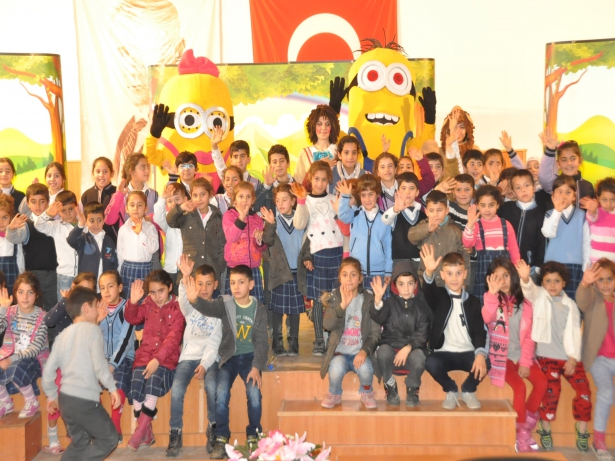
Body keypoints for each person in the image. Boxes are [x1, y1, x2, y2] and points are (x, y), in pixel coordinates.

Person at [184, 265, 268, 459]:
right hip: (229, 358)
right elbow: (209, 308)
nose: (236, 287)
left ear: (251, 285)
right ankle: (221, 438)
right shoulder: (225, 304)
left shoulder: (259, 309)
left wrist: (256, 367)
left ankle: (253, 435)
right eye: (232, 283)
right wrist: (194, 300)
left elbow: (263, 342)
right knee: (220, 393)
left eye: (241, 282)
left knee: (254, 394)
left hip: (250, 359)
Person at [42, 286, 120, 461]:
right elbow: (100, 366)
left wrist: (51, 395)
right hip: (85, 401)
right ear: (86, 307)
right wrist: (112, 388)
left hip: (65, 400)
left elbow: (48, 372)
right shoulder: (93, 331)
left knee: (80, 443)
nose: (97, 311)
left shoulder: (62, 336)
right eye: (95, 305)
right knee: (109, 439)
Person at [520, 261, 591, 452]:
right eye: (548, 281)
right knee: (552, 393)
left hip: (568, 358)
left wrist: (573, 358)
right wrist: (525, 278)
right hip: (546, 358)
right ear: (542, 283)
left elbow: (575, 334)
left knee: (584, 391)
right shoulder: (539, 297)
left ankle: (582, 429)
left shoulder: (570, 305)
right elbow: (529, 291)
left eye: (557, 281)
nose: (552, 285)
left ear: (564, 283)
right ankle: (545, 427)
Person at [483, 258, 547, 452]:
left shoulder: (526, 302)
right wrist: (492, 294)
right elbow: (487, 317)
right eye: (497, 277)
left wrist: (525, 362)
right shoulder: (491, 299)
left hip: (522, 355)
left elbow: (529, 337)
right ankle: (522, 434)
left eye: (505, 275)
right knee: (520, 387)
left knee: (542, 382)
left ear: (513, 276)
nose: (502, 281)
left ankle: (524, 426)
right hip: (501, 357)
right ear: (490, 280)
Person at [421, 245, 489, 410]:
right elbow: (428, 292)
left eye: (458, 273)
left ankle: (468, 390)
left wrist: (480, 354)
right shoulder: (439, 296)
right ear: (442, 275)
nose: (454, 278)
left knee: (487, 360)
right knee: (430, 362)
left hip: (467, 353)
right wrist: (428, 272)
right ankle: (450, 389)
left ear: (465, 274)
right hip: (444, 353)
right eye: (449, 273)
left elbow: (479, 331)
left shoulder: (473, 302)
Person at [124, 271, 185, 451]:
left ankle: (139, 432)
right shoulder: (148, 303)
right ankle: (147, 432)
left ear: (170, 287)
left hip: (165, 360)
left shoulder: (178, 307)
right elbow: (133, 318)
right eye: (152, 292)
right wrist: (133, 302)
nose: (157, 297)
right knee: (135, 385)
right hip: (144, 356)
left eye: (161, 291)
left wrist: (158, 359)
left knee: (152, 384)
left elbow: (174, 338)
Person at [167, 256, 222, 457]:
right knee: (177, 389)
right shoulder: (191, 306)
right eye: (200, 284)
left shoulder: (218, 309)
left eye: (208, 284)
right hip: (189, 357)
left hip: (210, 359)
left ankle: (213, 427)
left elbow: (214, 342)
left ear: (215, 285)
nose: (204, 288)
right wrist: (185, 277)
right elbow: (183, 301)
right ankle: (175, 432)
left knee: (212, 387)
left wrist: (205, 364)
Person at [292, 161, 344, 355]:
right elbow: (299, 224)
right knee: (317, 299)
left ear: (328, 180)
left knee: (335, 297)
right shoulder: (305, 199)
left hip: (337, 252)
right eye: (316, 179)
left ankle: (334, 335)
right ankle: (319, 339)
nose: (320, 183)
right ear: (310, 178)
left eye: (323, 179)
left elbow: (343, 223)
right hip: (317, 253)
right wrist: (301, 201)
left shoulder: (334, 198)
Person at [320, 257, 380, 410]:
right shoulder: (335, 298)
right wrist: (342, 306)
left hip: (360, 353)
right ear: (339, 278)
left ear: (360, 278)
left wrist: (364, 351)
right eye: (345, 275)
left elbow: (375, 333)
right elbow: (327, 325)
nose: (349, 279)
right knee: (335, 369)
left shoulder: (368, 299)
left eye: (353, 275)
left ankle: (367, 392)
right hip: (340, 353)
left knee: (366, 370)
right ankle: (334, 393)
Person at [370, 262, 430, 407]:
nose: (406, 288)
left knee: (420, 357)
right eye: (401, 284)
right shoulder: (389, 303)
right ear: (395, 286)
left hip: (412, 352)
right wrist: (377, 300)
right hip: (392, 354)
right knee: (382, 352)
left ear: (416, 284)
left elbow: (423, 333)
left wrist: (408, 347)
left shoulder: (422, 306)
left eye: (410, 283)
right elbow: (379, 317)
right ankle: (389, 384)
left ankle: (412, 387)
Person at [576, 260, 615, 460]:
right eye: (601, 280)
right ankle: (598, 439)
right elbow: (581, 301)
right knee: (607, 391)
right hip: (598, 359)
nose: (606, 284)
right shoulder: (592, 297)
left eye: (610, 279)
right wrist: (585, 283)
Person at [260, 186, 305, 356]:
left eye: (284, 200)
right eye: (277, 200)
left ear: (293, 201)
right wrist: (270, 224)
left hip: (296, 271)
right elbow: (267, 241)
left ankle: (293, 341)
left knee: (294, 309)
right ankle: (277, 341)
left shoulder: (300, 219)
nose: (280, 203)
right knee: (277, 309)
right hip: (280, 271)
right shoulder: (273, 220)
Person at [0, 272, 49, 418]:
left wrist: (11, 359)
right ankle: (5, 402)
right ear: (15, 293)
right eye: (21, 292)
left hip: (33, 360)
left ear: (37, 294)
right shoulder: (10, 311)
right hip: (9, 354)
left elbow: (34, 350)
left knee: (15, 368)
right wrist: (3, 308)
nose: (25, 297)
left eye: (30, 292)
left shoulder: (43, 317)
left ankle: (31, 400)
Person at [166, 177, 225, 291]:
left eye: (203, 194)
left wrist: (219, 266)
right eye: (195, 195)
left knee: (210, 301)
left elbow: (222, 244)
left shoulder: (218, 217)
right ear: (191, 196)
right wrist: (181, 207)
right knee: (188, 301)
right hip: (190, 273)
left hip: (211, 273)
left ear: (210, 195)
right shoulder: (187, 214)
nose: (199, 199)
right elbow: (170, 221)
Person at [463, 185, 521, 299]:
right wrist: (470, 224)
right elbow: (467, 244)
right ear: (477, 205)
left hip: (505, 277)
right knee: (486, 303)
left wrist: (518, 272)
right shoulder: (476, 225)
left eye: (491, 205)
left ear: (497, 204)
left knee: (505, 302)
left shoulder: (506, 225)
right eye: (483, 205)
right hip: (484, 276)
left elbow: (514, 251)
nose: (487, 209)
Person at [98, 270, 135, 442]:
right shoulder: (98, 308)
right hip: (101, 358)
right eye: (102, 288)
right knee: (89, 384)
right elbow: (89, 336)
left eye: (110, 286)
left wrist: (111, 366)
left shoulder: (128, 309)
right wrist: (97, 320)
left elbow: (125, 341)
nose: (106, 291)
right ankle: (97, 426)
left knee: (119, 379)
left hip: (123, 357)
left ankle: (115, 426)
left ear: (120, 288)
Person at [7, 184, 58, 310]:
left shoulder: (55, 223)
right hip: (33, 275)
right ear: (28, 204)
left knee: (52, 308)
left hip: (53, 274)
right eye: (33, 202)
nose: (38, 205)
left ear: (48, 202)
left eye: (42, 201)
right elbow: (14, 238)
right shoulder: (26, 224)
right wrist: (12, 228)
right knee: (34, 307)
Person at [338, 176, 392, 288]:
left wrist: (388, 270)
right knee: (359, 299)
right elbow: (342, 215)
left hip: (379, 272)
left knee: (378, 299)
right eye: (363, 195)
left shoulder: (385, 217)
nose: (367, 199)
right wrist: (345, 196)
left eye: (371, 194)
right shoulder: (354, 213)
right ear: (359, 196)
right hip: (357, 272)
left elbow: (388, 246)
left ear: (377, 194)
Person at [542, 175, 590, 299]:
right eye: (559, 192)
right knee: (551, 302)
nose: (563, 196)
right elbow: (547, 233)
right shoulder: (550, 214)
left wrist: (586, 268)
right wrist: (557, 211)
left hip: (575, 265)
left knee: (573, 302)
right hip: (552, 265)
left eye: (568, 192)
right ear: (553, 195)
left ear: (574, 196)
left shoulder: (582, 215)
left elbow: (587, 243)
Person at [409, 190, 469, 287]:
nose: (435, 214)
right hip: (427, 280)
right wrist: (427, 229)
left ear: (447, 210)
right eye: (431, 210)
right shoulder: (423, 226)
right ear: (426, 212)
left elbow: (464, 256)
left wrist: (464, 282)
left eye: (439, 210)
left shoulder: (455, 230)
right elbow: (411, 236)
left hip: (450, 282)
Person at [222, 181, 266, 302]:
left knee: (254, 303)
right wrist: (241, 217)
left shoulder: (257, 219)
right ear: (234, 199)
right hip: (235, 268)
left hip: (253, 269)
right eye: (241, 196)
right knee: (234, 304)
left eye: (248, 197)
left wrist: (260, 241)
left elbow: (262, 247)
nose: (244, 200)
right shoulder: (229, 215)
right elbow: (231, 237)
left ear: (253, 200)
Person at [498, 169, 546, 272]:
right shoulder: (505, 208)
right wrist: (499, 194)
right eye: (518, 187)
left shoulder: (541, 212)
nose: (523, 190)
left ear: (534, 187)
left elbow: (542, 241)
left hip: (530, 266)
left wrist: (539, 264)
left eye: (527, 185)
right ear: (513, 192)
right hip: (506, 265)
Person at [34, 190, 79, 299]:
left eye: (71, 209)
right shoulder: (56, 226)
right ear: (58, 212)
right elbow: (38, 225)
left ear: (77, 207)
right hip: (65, 276)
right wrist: (48, 214)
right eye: (63, 210)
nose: (68, 214)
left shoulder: (84, 225)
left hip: (83, 275)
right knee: (64, 306)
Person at [381, 172, 426, 276]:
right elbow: (384, 220)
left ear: (417, 192)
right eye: (404, 188)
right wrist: (395, 209)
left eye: (411, 188)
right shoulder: (394, 213)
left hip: (419, 262)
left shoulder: (423, 215)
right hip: (398, 263)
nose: (407, 192)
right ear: (398, 191)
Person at [116, 190, 159, 297]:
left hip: (145, 268)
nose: (136, 208)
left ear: (146, 209)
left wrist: (141, 233)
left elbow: (154, 248)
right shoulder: (123, 229)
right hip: (127, 269)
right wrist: (119, 274)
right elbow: (120, 253)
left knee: (145, 300)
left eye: (140, 205)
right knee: (128, 299)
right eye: (132, 205)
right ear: (127, 208)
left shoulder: (150, 227)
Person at [538, 130, 594, 206]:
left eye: (573, 158)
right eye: (564, 160)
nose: (569, 163)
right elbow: (544, 177)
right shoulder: (554, 183)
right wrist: (550, 149)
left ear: (579, 161)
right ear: (558, 164)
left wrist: (594, 209)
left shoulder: (587, 186)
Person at [67, 202, 118, 282]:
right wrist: (81, 225)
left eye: (99, 220)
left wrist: (113, 279)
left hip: (104, 284)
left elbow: (113, 263)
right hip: (87, 284)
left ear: (104, 220)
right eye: (92, 221)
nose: (96, 224)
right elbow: (71, 240)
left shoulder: (109, 241)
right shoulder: (83, 238)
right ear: (86, 221)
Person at [154, 183, 188, 293]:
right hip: (170, 268)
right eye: (169, 201)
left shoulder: (191, 218)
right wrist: (162, 198)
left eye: (177, 199)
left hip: (186, 269)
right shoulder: (167, 220)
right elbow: (158, 217)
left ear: (185, 199)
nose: (173, 204)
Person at [293, 104, 339, 186]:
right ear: (313, 126)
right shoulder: (305, 153)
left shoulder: (339, 151)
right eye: (319, 124)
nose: (323, 128)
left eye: (327, 124)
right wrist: (319, 167)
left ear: (333, 126)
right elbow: (298, 185)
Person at [80, 157, 118, 243]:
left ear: (112, 173)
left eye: (105, 171)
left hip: (113, 241)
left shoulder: (117, 193)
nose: (101, 175)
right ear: (92, 173)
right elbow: (82, 218)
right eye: (98, 171)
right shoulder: (86, 195)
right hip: (90, 243)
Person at [581, 177, 615, 264]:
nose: (609, 204)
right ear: (598, 197)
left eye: (613, 200)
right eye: (604, 199)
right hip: (596, 262)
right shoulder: (596, 212)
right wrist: (592, 209)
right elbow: (591, 217)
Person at [0, 195, 23, 294]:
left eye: (5, 217)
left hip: (13, 286)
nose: (1, 222)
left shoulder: (15, 239)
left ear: (11, 218)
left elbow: (20, 264)